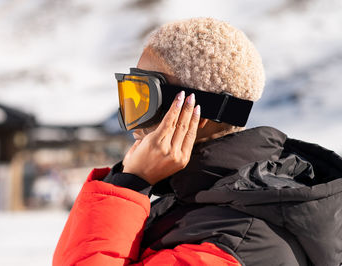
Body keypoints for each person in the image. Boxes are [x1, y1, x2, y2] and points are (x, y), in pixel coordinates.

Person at [53, 18, 342, 266]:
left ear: (193, 114)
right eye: (127, 97)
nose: (131, 123)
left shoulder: (231, 245)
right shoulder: (195, 198)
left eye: (141, 99)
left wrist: (129, 184)